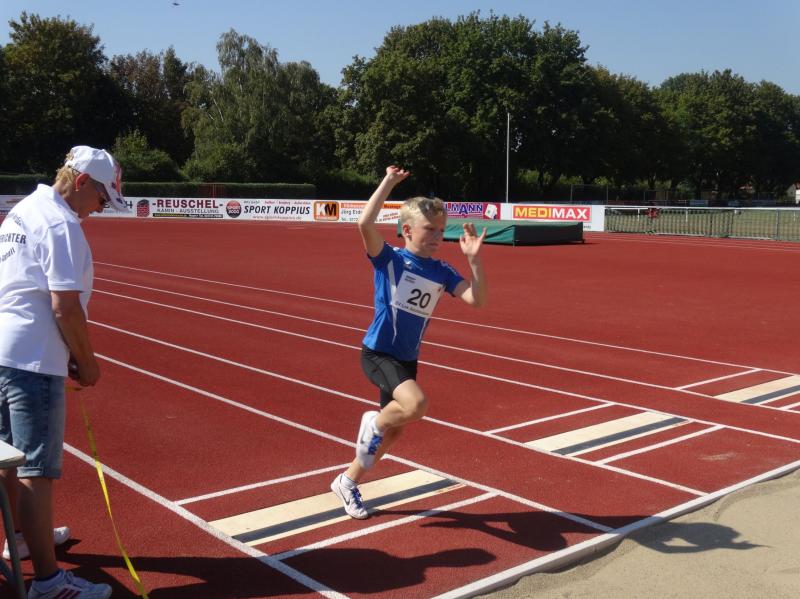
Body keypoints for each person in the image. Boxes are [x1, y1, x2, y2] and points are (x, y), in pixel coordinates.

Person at [0, 146, 127, 598]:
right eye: (102, 198)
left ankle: (20, 537)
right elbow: (65, 306)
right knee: (37, 469)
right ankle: (49, 583)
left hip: (6, 350)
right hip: (33, 360)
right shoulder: (60, 224)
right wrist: (86, 361)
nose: (101, 208)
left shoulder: (23, 211)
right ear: (82, 182)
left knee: (9, 459)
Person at [331, 166, 487, 519]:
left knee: (394, 432)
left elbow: (476, 300)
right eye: (430, 229)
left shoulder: (442, 271)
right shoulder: (390, 259)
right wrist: (388, 182)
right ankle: (373, 422)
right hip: (378, 352)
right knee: (415, 404)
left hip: (406, 358)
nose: (437, 236)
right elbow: (364, 224)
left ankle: (347, 481)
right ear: (407, 231)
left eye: (441, 231)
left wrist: (475, 262)